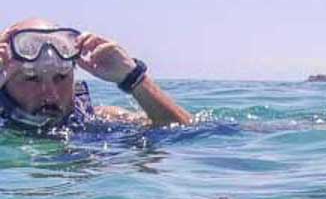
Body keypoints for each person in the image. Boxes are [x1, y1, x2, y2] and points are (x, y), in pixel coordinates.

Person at [0, 18, 191, 133]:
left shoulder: (101, 120)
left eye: (61, 77)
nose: (51, 94)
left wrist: (133, 77)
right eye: (32, 78)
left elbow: (183, 130)